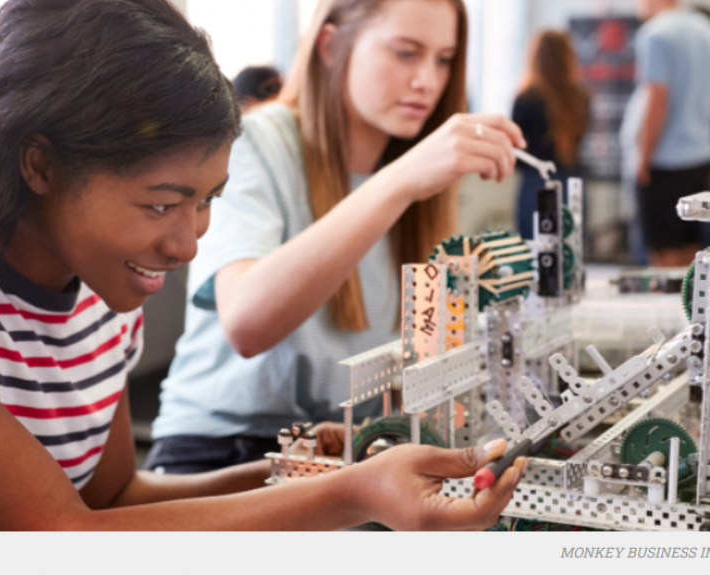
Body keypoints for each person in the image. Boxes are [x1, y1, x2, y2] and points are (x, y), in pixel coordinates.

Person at [0, 0, 525, 531]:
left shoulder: (101, 280)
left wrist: (313, 472)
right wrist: (349, 493)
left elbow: (114, 499)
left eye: (207, 202)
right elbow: (55, 537)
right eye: (160, 204)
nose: (187, 246)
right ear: (40, 165)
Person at [148, 0, 527, 474]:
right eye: (406, 53)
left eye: (444, 59)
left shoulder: (419, 183)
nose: (428, 81)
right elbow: (246, 322)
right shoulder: (254, 143)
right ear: (331, 45)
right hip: (223, 454)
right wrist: (399, 182)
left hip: (348, 453)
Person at [630, 0, 710, 266]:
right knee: (692, 251)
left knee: (663, 256)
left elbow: (657, 101)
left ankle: (670, 308)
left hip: (666, 161)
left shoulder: (656, 33)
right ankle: (690, 307)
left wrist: (642, 158)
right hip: (701, 158)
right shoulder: (704, 28)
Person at [512, 31, 591, 240]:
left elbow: (515, 150)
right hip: (573, 183)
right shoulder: (581, 97)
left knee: (535, 256)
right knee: (570, 257)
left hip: (535, 186)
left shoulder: (526, 98)